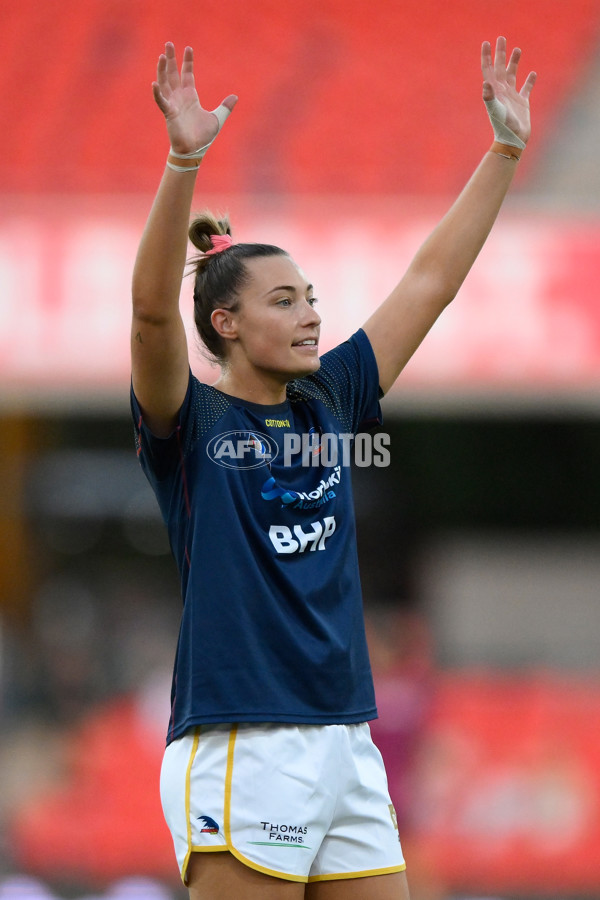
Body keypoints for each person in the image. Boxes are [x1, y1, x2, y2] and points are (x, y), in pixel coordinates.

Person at [130, 37, 535, 900]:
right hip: (245, 740)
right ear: (228, 325)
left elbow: (430, 281)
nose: (312, 314)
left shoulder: (331, 401)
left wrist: (503, 153)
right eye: (285, 301)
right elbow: (153, 320)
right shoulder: (195, 424)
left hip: (346, 738)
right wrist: (183, 162)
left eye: (311, 296)